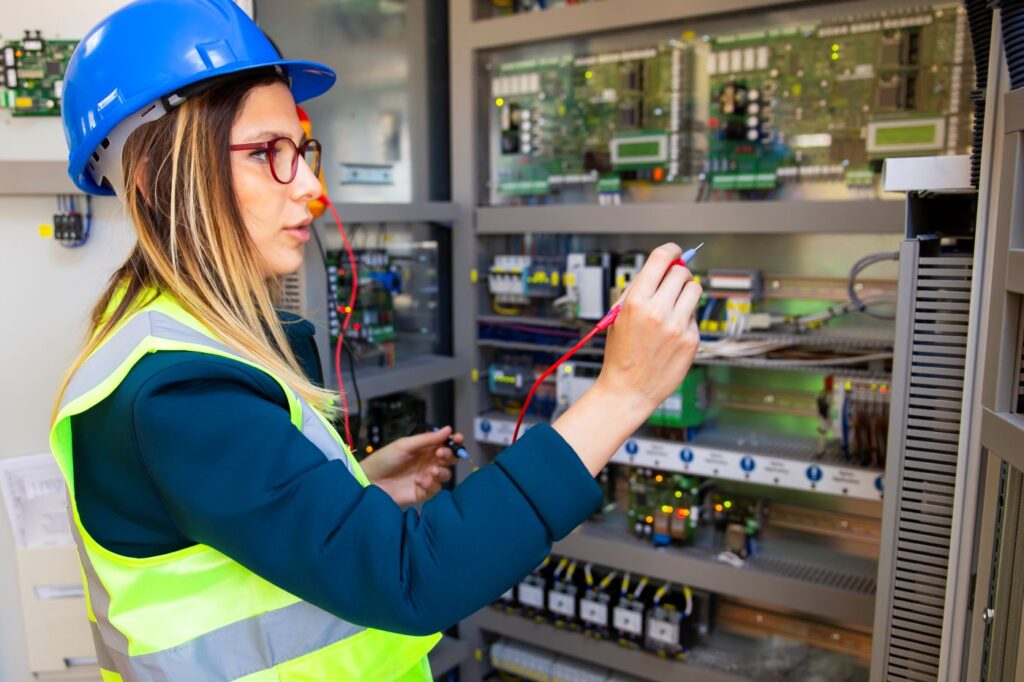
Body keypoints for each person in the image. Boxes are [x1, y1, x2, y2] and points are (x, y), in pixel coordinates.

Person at [50, 1, 702, 680]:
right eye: (266, 152)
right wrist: (623, 393)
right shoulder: (177, 389)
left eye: (302, 150)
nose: (309, 185)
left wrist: (356, 493)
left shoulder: (189, 341)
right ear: (160, 181)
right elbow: (411, 577)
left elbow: (231, 537)